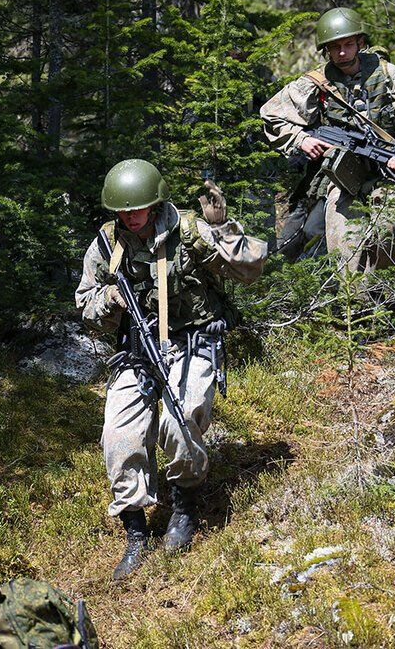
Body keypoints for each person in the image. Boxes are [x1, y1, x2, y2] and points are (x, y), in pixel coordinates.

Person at [75, 159, 267, 580]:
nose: (131, 216)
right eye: (123, 211)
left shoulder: (191, 231)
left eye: (138, 208)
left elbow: (251, 268)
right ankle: (136, 530)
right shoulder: (106, 245)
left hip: (191, 340)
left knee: (181, 423)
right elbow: (85, 302)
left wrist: (223, 228)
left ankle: (183, 504)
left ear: (156, 202)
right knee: (119, 435)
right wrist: (109, 302)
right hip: (138, 348)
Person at [260, 7, 395, 273]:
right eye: (335, 47)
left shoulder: (388, 74)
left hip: (386, 174)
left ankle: (383, 295)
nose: (343, 53)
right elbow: (271, 114)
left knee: (390, 230)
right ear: (326, 50)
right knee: (344, 246)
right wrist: (300, 139)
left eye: (349, 44)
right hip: (343, 180)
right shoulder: (316, 82)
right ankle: (353, 306)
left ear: (361, 42)